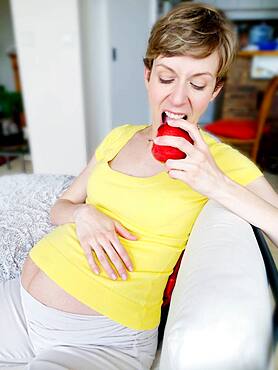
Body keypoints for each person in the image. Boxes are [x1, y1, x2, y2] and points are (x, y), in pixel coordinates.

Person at [1, 2, 278, 370]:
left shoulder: (216, 160)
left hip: (100, 339)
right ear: (147, 75)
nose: (179, 98)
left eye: (197, 84)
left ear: (215, 90)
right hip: (20, 303)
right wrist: (84, 214)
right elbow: (60, 206)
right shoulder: (119, 137)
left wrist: (216, 183)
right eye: (166, 78)